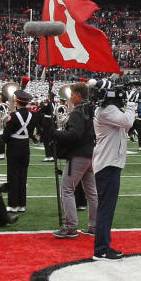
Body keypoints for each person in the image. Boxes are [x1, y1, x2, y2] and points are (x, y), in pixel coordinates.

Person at [92, 84, 135, 260]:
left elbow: (125, 126)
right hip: (107, 164)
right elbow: (128, 122)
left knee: (106, 208)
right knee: (106, 208)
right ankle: (101, 248)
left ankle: (102, 246)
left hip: (109, 162)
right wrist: (132, 104)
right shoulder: (107, 110)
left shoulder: (106, 110)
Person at [51, 82, 98, 239]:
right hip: (91, 153)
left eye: (72, 95)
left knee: (67, 189)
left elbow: (75, 135)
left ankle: (71, 226)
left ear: (78, 95)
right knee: (91, 192)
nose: (70, 98)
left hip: (79, 154)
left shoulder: (79, 111)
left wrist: (56, 134)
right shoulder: (92, 108)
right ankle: (95, 225)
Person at [0, 90, 38, 212]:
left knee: (13, 176)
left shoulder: (14, 116)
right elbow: (31, 133)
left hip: (14, 147)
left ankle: (12, 204)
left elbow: (6, 135)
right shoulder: (32, 115)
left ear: (17, 101)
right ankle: (22, 204)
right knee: (23, 176)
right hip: (25, 146)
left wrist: (0, 135)